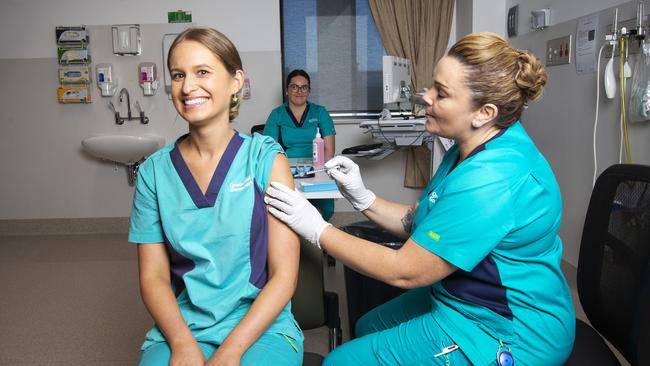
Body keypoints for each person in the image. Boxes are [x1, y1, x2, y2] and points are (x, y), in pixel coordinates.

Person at [265, 32, 575, 365]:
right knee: (367, 326)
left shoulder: (492, 178)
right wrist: (363, 198)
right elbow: (424, 219)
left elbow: (405, 270)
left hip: (503, 329)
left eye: (441, 94)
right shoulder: (466, 149)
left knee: (339, 362)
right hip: (458, 296)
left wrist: (317, 229)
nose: (425, 97)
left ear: (483, 112)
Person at [128, 27, 303, 366]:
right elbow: (153, 277)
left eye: (202, 72)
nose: (188, 86)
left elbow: (284, 276)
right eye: (178, 75)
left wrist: (232, 351)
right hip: (184, 326)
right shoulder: (153, 173)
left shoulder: (266, 159)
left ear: (235, 81)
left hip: (262, 326)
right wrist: (181, 344)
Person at [262, 69, 336, 220]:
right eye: (294, 86)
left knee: (326, 209)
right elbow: (268, 150)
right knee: (284, 207)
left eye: (304, 87)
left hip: (317, 167)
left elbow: (329, 150)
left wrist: (321, 173)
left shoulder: (320, 112)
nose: (299, 91)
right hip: (286, 168)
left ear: (309, 91)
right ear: (287, 90)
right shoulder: (277, 114)